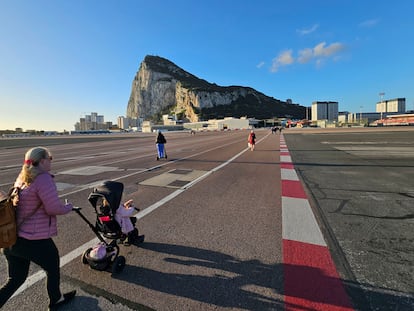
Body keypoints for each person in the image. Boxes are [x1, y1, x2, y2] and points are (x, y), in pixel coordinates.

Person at [0, 147, 76, 310]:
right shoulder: (43, 179)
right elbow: (53, 208)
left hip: (12, 238)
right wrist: (68, 207)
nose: (51, 161)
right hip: (33, 239)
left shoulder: (22, 177)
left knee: (15, 279)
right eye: (50, 158)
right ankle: (55, 300)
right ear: (42, 161)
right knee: (52, 266)